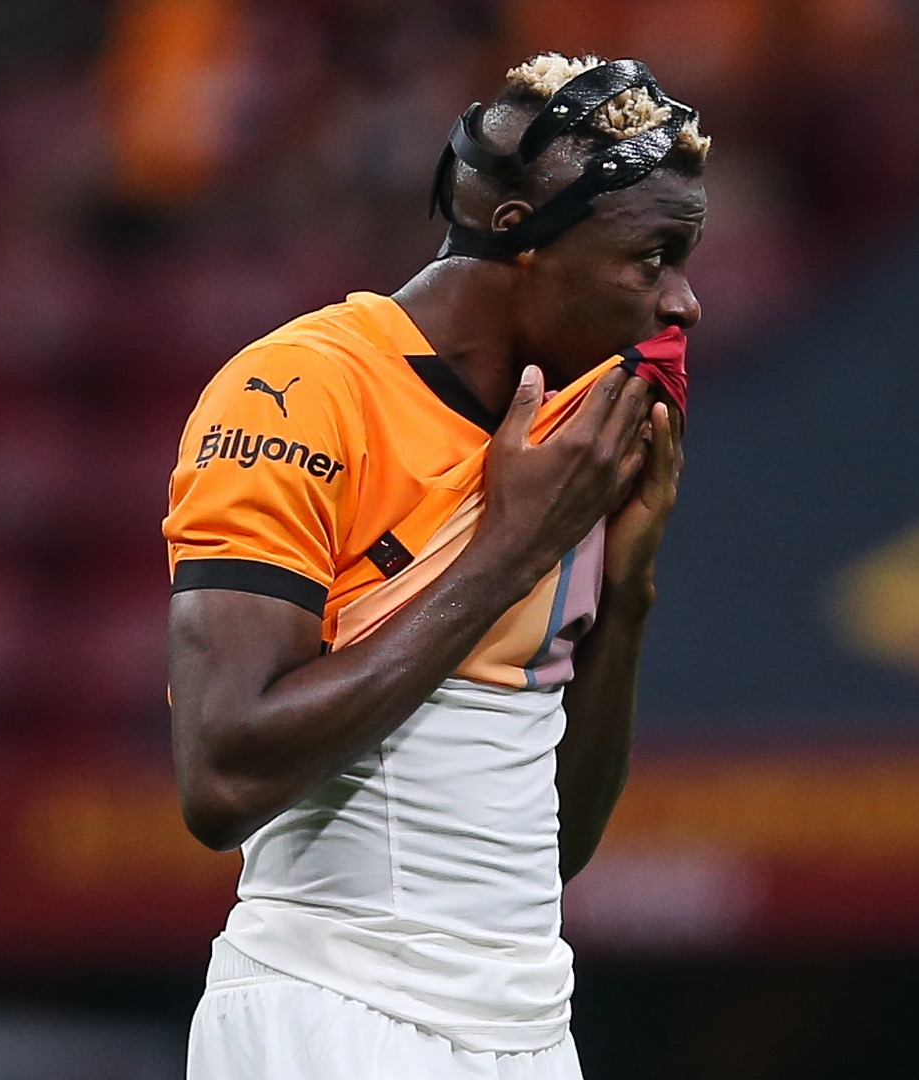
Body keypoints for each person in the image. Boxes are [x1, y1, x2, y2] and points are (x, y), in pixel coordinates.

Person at [162, 53, 708, 1080]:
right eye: (653, 256)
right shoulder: (297, 390)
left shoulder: (572, 433)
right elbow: (222, 777)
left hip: (529, 1027)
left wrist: (628, 595)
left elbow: (554, 847)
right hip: (333, 1005)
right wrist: (513, 549)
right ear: (522, 237)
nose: (684, 303)